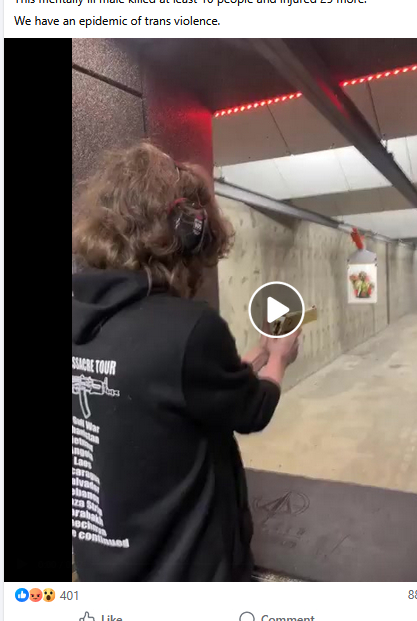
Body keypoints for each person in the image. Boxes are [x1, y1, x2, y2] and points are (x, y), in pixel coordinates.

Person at [72, 141, 301, 582]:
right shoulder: (188, 329)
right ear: (189, 234)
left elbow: (161, 390)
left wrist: (246, 361)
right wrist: (279, 358)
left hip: (104, 574)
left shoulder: (85, 319)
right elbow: (252, 410)